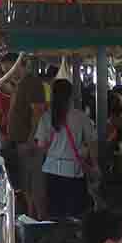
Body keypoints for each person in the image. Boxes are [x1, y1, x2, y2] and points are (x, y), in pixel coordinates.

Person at [34, 78, 98, 220]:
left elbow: (41, 146)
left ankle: (59, 240)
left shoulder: (46, 117)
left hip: (51, 170)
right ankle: (75, 240)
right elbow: (92, 144)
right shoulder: (80, 117)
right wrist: (95, 165)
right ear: (71, 95)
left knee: (56, 214)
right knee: (76, 214)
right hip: (74, 171)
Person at [6, 56, 48, 217]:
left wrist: (31, 139)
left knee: (36, 185)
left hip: (29, 144)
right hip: (22, 142)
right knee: (27, 185)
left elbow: (37, 113)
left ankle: (41, 221)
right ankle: (32, 218)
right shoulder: (20, 84)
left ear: (23, 65)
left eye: (14, 69)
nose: (12, 73)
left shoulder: (32, 83)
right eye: (8, 70)